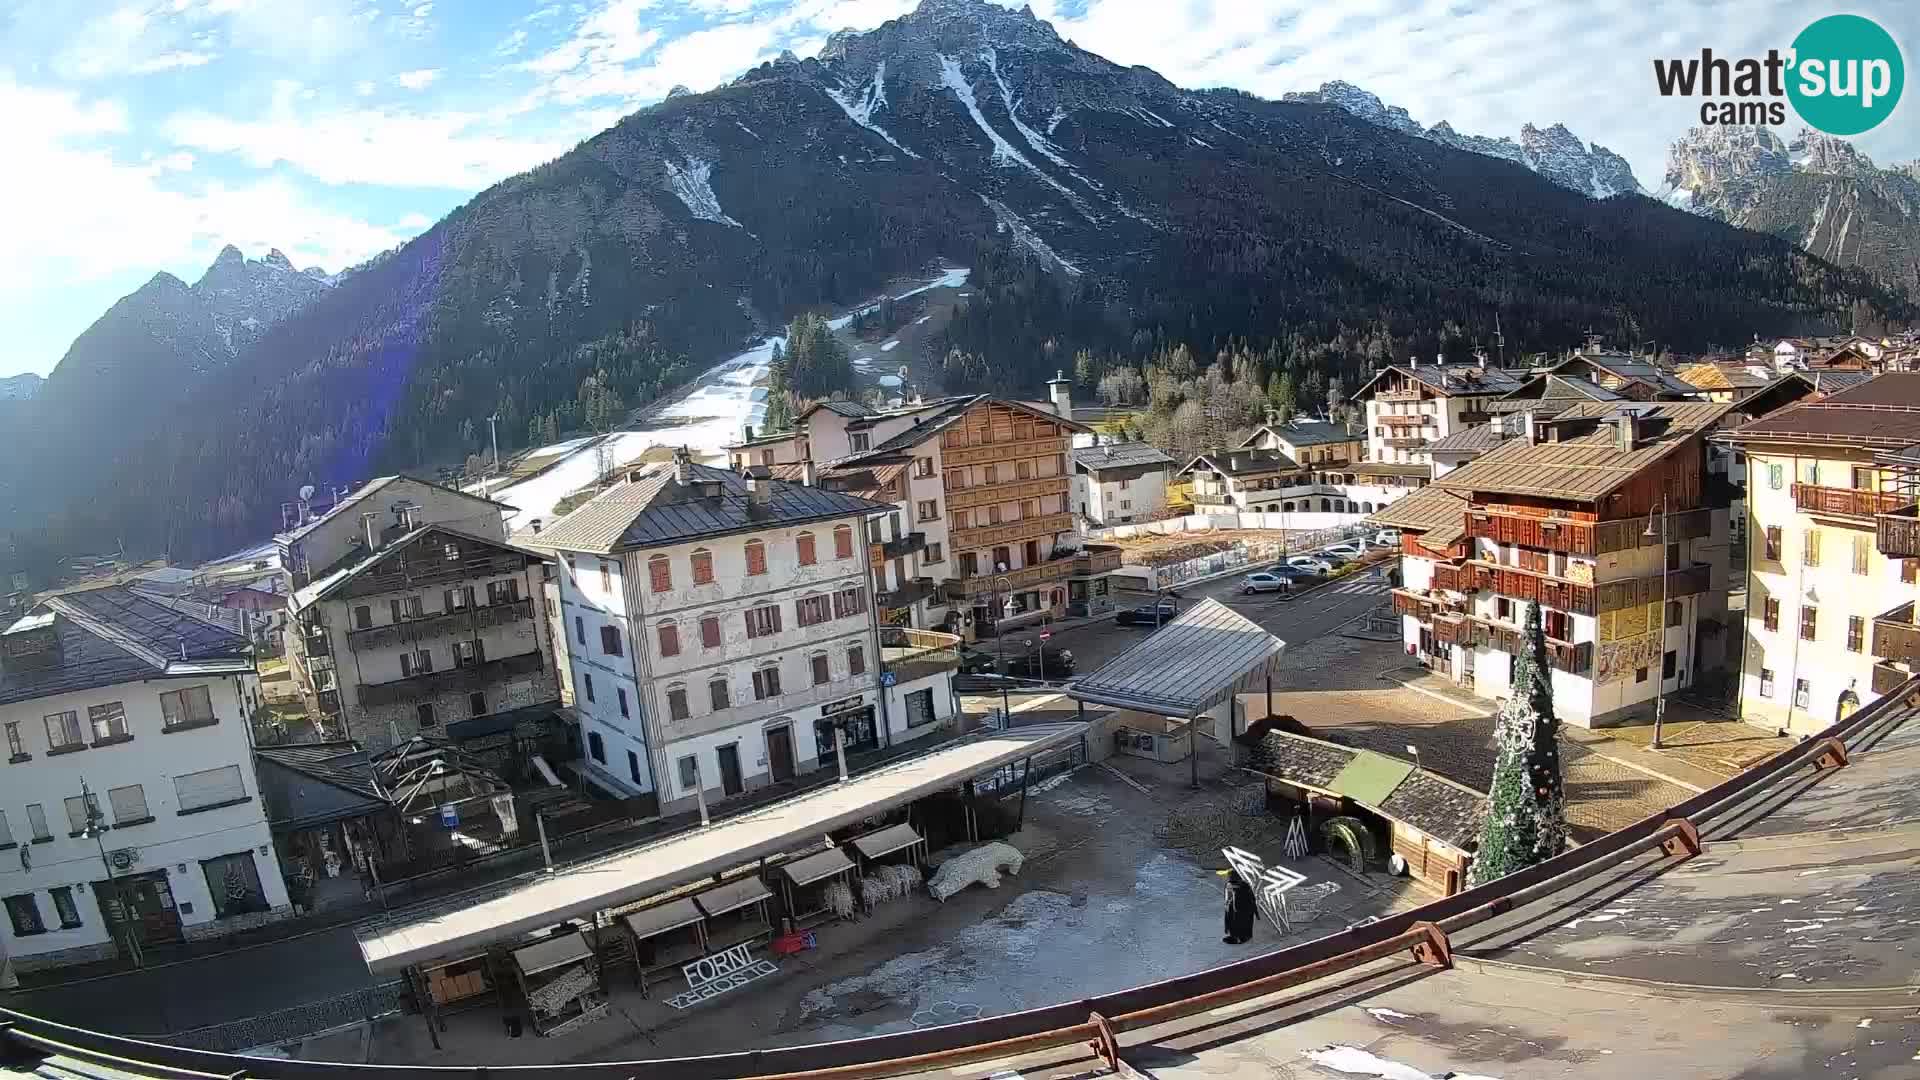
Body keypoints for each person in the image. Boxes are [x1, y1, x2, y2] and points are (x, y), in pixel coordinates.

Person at [1221, 868, 1257, 944]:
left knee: (1240, 920)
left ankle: (1242, 937)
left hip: (1241, 909)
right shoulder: (1232, 885)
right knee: (1235, 919)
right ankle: (1236, 936)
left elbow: (1251, 899)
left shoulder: (1241, 886)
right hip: (1237, 909)